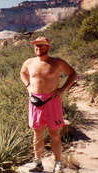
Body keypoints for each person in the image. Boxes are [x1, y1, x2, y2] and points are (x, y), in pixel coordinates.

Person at [20, 36, 77, 173]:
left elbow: (73, 74)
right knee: (37, 133)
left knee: (55, 134)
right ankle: (38, 162)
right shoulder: (29, 62)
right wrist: (28, 86)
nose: (38, 48)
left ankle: (58, 163)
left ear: (48, 47)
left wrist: (62, 89)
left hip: (52, 101)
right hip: (35, 101)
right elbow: (22, 73)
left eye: (41, 45)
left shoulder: (57, 62)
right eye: (36, 45)